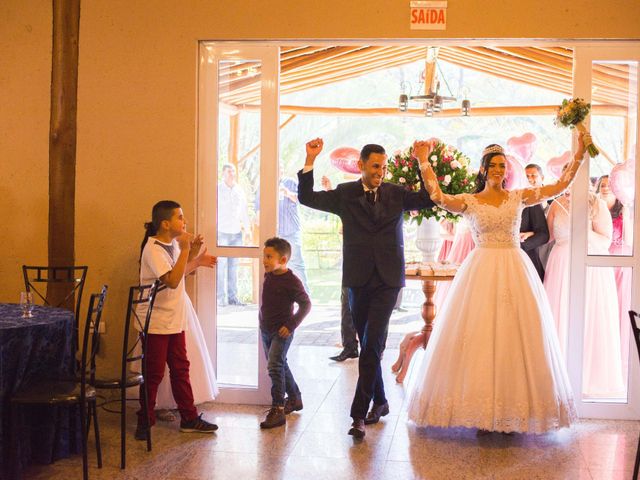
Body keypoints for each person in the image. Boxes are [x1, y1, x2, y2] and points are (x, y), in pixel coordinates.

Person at [407, 135, 592, 433]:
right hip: (480, 270)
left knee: (515, 337)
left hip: (514, 269)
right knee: (478, 336)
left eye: (502, 165)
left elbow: (558, 187)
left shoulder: (518, 197)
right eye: (493, 165)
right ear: (483, 169)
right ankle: (479, 412)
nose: (498, 169)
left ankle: (514, 411)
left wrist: (580, 153)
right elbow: (439, 197)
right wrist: (424, 161)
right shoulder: (471, 201)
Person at [298, 138, 434, 438]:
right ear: (361, 166)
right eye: (375, 167)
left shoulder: (396, 193)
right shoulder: (346, 194)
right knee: (368, 346)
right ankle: (382, 401)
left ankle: (358, 415)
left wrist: (423, 160)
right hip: (357, 281)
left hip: (387, 281)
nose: (380, 172)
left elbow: (429, 197)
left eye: (384, 167)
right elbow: (307, 197)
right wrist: (310, 159)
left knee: (371, 344)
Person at [136, 200, 218, 440]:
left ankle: (189, 417)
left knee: (181, 369)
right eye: (180, 217)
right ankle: (145, 419)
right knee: (153, 373)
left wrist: (193, 253)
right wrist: (185, 251)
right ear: (165, 223)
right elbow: (171, 280)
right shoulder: (153, 248)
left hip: (173, 317)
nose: (185, 221)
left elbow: (180, 272)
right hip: (156, 321)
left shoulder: (170, 244)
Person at [544, 189, 625, 398]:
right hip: (560, 264)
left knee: (589, 316)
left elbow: (605, 241)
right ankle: (559, 377)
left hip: (591, 266)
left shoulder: (595, 203)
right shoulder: (555, 204)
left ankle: (590, 378)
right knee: (560, 314)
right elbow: (548, 237)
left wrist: (582, 227)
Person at [259, 237, 312, 429]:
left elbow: (306, 305)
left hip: (282, 332)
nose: (264, 260)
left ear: (283, 260)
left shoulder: (291, 281)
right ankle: (295, 398)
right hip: (266, 329)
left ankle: (278, 409)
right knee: (279, 364)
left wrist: (291, 325)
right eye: (264, 256)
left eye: (269, 257)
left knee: (274, 366)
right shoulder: (270, 274)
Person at [596, 174, 632, 378]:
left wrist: (628, 215)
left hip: (621, 262)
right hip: (600, 261)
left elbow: (629, 239)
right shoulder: (595, 208)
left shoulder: (623, 210)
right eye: (601, 185)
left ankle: (621, 358)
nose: (605, 188)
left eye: (609, 185)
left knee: (619, 305)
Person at [217, 164, 251, 306]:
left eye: (233, 172)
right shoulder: (218, 189)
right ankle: (220, 299)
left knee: (233, 267)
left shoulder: (239, 190)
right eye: (229, 172)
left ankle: (233, 298)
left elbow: (243, 211)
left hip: (236, 233)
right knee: (221, 267)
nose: (232, 174)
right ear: (223, 174)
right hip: (221, 232)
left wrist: (247, 230)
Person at [279, 171, 310, 292]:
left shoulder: (290, 182)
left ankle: (305, 295)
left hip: (291, 229)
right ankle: (286, 296)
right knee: (280, 265)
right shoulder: (267, 184)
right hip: (277, 231)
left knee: (297, 263)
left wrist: (287, 193)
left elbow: (301, 199)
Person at [520, 163, 550, 281]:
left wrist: (521, 245)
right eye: (526, 176)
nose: (529, 179)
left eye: (533, 176)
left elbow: (543, 234)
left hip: (528, 257)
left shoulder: (530, 200)